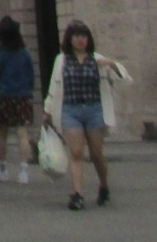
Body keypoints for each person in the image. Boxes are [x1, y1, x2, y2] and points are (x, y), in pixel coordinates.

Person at [42, 20, 130, 210]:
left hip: (93, 110)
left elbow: (123, 78)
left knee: (97, 154)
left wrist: (111, 64)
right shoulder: (62, 60)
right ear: (70, 39)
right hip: (70, 110)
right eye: (77, 36)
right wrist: (47, 111)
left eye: (84, 36)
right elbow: (54, 87)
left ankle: (104, 186)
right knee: (76, 153)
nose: (81, 40)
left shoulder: (96, 58)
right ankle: (77, 194)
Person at [0, 15, 36, 182]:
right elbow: (31, 74)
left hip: (4, 95)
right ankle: (24, 171)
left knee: (3, 133)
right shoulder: (25, 53)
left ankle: (3, 168)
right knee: (23, 133)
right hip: (23, 95)